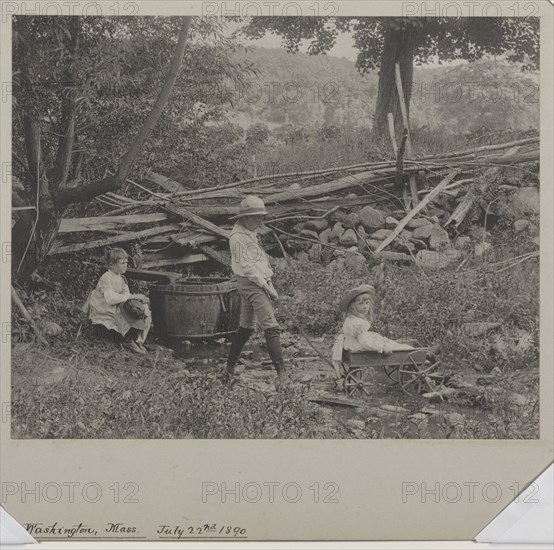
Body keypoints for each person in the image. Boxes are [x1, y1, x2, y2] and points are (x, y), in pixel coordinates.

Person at [222, 195, 284, 385]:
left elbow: (260, 262)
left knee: (246, 328)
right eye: (257, 217)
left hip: (257, 282)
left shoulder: (250, 233)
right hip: (251, 284)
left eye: (261, 217)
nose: (260, 221)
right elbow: (248, 268)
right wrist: (266, 287)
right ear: (245, 217)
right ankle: (283, 376)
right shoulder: (237, 238)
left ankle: (229, 369)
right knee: (271, 326)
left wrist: (269, 281)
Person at [331, 284, 413, 378]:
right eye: (361, 304)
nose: (365, 306)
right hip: (358, 346)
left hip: (353, 344)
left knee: (389, 342)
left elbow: (364, 336)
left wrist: (379, 338)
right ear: (352, 307)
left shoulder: (352, 319)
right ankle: (414, 353)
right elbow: (366, 343)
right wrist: (381, 347)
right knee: (396, 347)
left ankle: (410, 350)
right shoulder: (357, 323)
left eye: (367, 303)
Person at [82, 248, 152, 354]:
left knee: (142, 308)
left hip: (116, 303)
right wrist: (129, 297)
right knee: (127, 311)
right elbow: (109, 298)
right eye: (121, 263)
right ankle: (127, 340)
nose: (125, 265)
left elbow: (126, 294)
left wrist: (136, 298)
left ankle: (137, 340)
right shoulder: (106, 278)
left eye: (126, 263)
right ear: (111, 264)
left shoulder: (121, 278)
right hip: (104, 307)